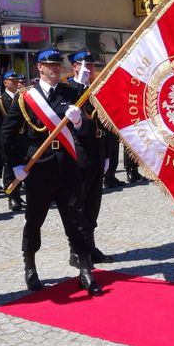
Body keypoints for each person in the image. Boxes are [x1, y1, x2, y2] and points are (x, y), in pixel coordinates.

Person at [0, 46, 102, 296]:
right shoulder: (26, 97)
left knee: (77, 218)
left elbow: (89, 128)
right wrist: (15, 165)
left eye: (58, 65)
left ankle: (86, 271)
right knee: (35, 219)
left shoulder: (72, 93)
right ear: (39, 68)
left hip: (67, 164)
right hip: (39, 166)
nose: (56, 69)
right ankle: (30, 266)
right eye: (50, 65)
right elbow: (6, 134)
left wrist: (79, 121)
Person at [66, 48, 114, 267]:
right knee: (78, 205)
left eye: (92, 65)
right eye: (85, 65)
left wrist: (106, 154)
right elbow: (70, 117)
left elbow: (102, 123)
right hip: (78, 153)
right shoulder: (68, 90)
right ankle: (76, 251)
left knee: (93, 204)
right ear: (74, 67)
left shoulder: (95, 91)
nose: (90, 69)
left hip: (96, 151)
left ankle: (90, 246)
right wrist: (80, 86)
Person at [0, 70, 27, 211]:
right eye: (11, 80)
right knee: (9, 169)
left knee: (22, 167)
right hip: (8, 140)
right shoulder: (0, 100)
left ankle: (18, 194)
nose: (15, 82)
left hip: (22, 138)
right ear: (5, 82)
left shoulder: (22, 98)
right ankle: (11, 196)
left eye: (16, 80)